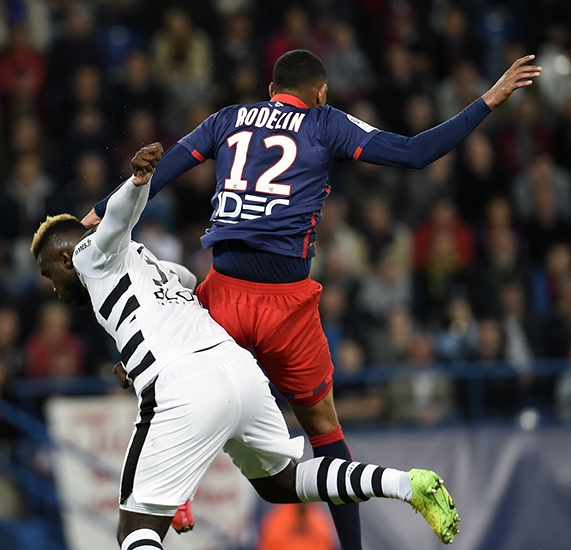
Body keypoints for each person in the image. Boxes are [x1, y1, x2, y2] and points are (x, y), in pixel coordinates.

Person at [81, 50, 539, 549]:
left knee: (170, 379)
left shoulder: (228, 119)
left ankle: (177, 495)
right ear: (320, 92)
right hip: (287, 306)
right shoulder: (326, 123)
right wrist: (489, 100)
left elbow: (163, 170)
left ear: (272, 87)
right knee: (324, 430)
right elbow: (414, 153)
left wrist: (97, 213)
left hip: (223, 296)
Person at [34, 144, 459, 550]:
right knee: (284, 483)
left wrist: (138, 182)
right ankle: (405, 484)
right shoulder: (147, 262)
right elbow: (181, 282)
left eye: (48, 273)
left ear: (65, 259)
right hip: (238, 370)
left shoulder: (88, 255)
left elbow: (112, 226)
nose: (53, 287)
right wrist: (135, 358)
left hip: (182, 384)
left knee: (134, 528)